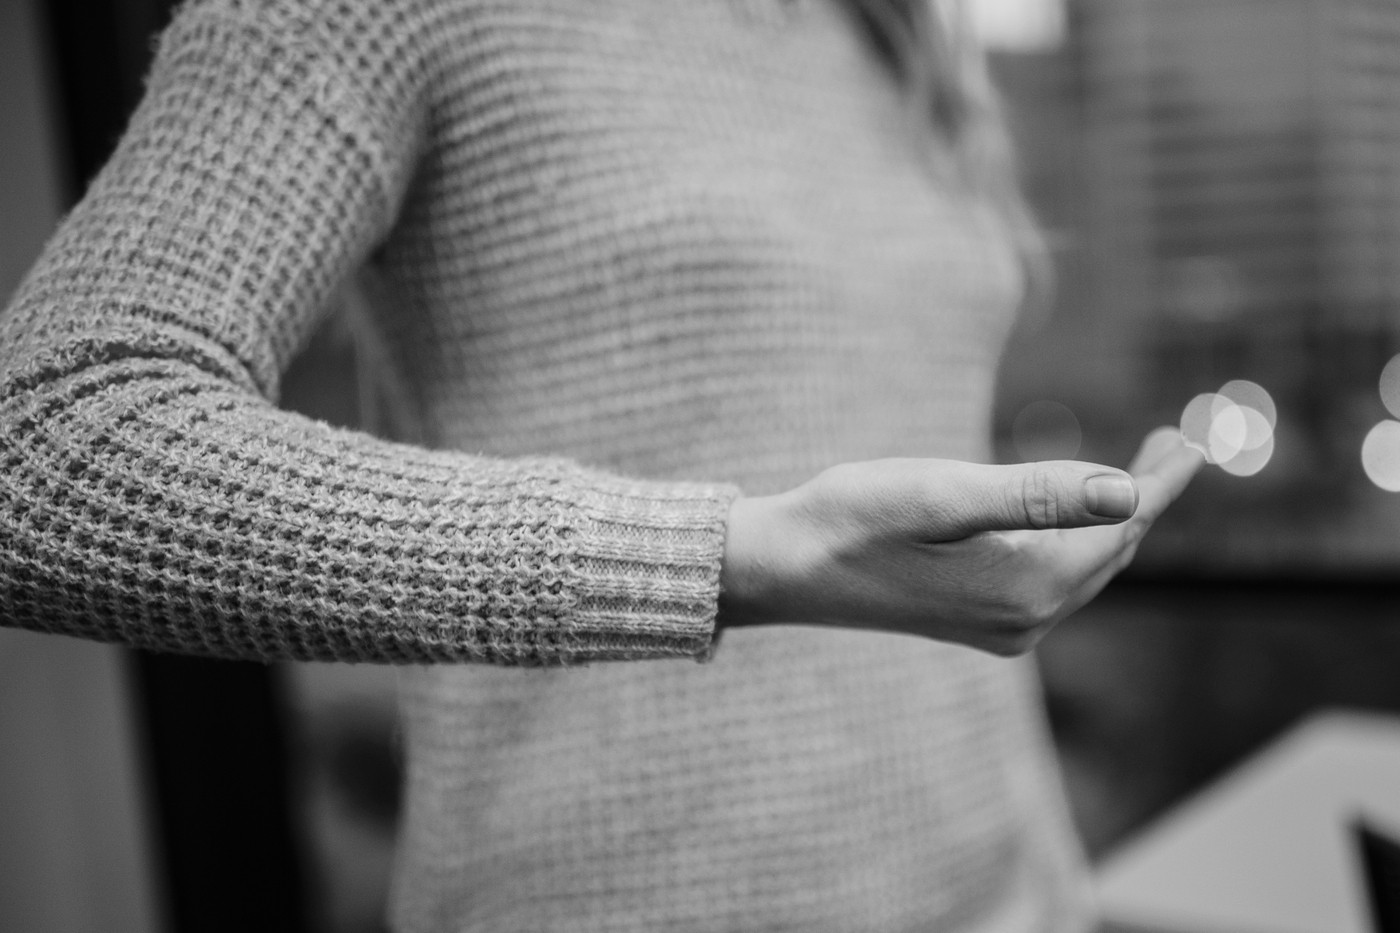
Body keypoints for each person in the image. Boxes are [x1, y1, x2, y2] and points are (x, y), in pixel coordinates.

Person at [0, 0, 1204, 929]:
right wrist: (727, 556)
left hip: (993, 887)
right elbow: (44, 442)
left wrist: (1053, 888)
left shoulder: (887, 33)